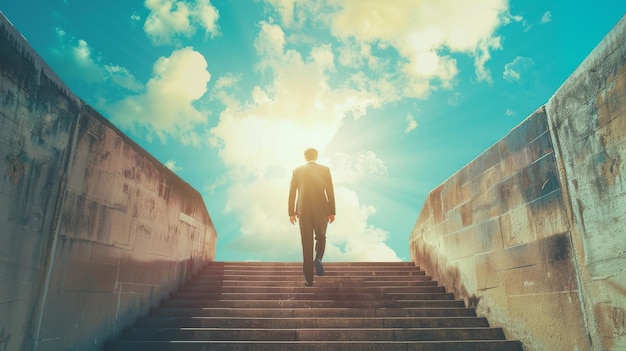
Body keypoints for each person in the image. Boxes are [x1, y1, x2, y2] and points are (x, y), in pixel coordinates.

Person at [288, 147, 336, 287]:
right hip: (322, 209)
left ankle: (309, 279)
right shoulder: (324, 170)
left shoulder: (297, 171)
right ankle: (318, 258)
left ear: (305, 157)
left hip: (303, 210)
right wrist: (332, 211)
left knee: (306, 243)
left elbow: (292, 192)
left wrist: (291, 212)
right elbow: (330, 191)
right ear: (317, 156)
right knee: (321, 236)